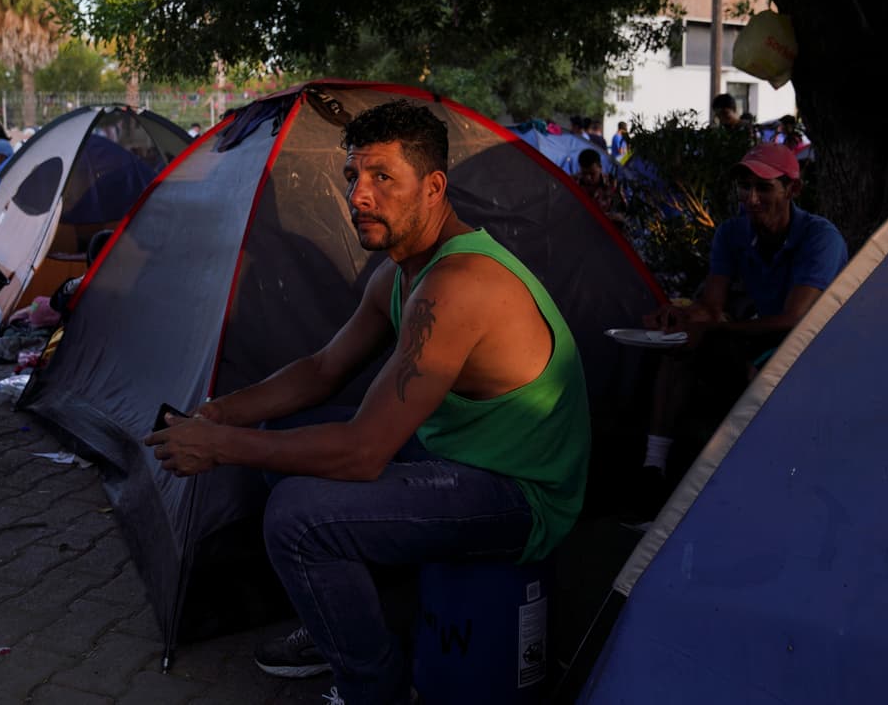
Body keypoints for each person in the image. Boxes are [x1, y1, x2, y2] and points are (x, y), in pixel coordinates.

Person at [145, 99, 590, 705]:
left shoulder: (459, 285)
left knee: (297, 518)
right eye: (354, 175)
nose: (358, 195)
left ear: (433, 188)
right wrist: (222, 413)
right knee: (286, 428)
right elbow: (323, 369)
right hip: (457, 453)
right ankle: (343, 616)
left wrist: (220, 447)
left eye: (383, 178)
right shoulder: (404, 270)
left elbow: (361, 454)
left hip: (519, 492)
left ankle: (372, 688)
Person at [622, 143, 847, 524]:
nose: (752, 199)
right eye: (745, 188)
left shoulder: (819, 238)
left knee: (755, 370)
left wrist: (711, 327)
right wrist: (679, 316)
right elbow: (712, 305)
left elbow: (795, 320)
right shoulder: (732, 233)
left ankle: (756, 497)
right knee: (679, 346)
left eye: (764, 188)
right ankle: (653, 470)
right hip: (763, 338)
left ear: (792, 189)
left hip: (819, 348)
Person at [576, 148, 624, 222]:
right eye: (584, 173)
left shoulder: (612, 184)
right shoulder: (573, 184)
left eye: (592, 174)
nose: (588, 178)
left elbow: (622, 212)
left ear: (600, 168)